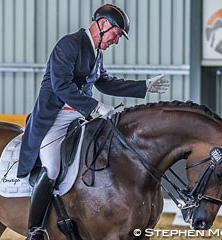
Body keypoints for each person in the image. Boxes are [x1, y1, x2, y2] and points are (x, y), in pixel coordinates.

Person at [16, 4, 169, 239]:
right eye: (116, 35)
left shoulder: (95, 52)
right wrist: (96, 106)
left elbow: (105, 82)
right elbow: (61, 86)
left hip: (79, 116)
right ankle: (35, 229)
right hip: (54, 118)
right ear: (104, 24)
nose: (116, 41)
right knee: (52, 167)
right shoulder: (69, 44)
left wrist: (143, 86)